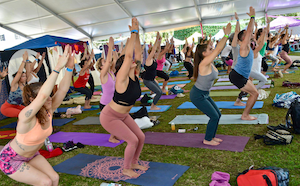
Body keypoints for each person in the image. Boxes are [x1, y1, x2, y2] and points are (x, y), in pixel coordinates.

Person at [0, 45, 73, 185]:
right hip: (11, 158)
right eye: (44, 97)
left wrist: (69, 68)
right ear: (33, 100)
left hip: (32, 154)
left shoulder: (48, 110)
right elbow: (43, 95)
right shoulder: (26, 116)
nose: (50, 98)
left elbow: (63, 89)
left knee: (54, 179)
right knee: (45, 182)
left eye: (50, 96)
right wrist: (57, 68)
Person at [100, 18, 148, 178]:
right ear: (123, 67)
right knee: (133, 140)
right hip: (110, 117)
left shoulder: (135, 75)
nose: (134, 61)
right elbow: (128, 56)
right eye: (129, 62)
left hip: (123, 115)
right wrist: (132, 33)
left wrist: (138, 34)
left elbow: (138, 53)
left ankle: (134, 162)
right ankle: (126, 168)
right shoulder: (121, 79)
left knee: (141, 136)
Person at [190, 23, 231, 146]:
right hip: (197, 95)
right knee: (213, 116)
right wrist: (226, 35)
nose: (212, 50)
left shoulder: (210, 61)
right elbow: (218, 49)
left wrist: (209, 40)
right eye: (209, 50)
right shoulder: (204, 64)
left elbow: (215, 48)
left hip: (205, 94)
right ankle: (207, 139)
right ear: (204, 54)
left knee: (218, 114)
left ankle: (212, 136)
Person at [229, 6, 259, 120]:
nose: (250, 33)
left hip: (240, 75)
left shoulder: (248, 46)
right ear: (244, 38)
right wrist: (252, 17)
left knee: (254, 93)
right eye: (247, 34)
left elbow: (251, 32)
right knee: (255, 94)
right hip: (237, 75)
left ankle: (244, 114)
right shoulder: (243, 46)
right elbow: (248, 31)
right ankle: (245, 115)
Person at [96, 37, 120, 143]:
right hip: (105, 103)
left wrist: (113, 49)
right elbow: (110, 60)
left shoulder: (111, 71)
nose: (107, 62)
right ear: (101, 67)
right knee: (113, 121)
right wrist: (109, 47)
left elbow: (116, 60)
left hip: (113, 101)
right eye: (104, 62)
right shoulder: (103, 74)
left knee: (118, 119)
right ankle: (111, 137)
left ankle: (114, 135)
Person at [0, 51, 28, 118]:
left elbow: (28, 71)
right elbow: (19, 72)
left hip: (18, 106)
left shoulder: (24, 84)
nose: (24, 77)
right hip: (7, 107)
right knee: (24, 115)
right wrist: (23, 60)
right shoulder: (15, 85)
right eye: (22, 76)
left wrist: (27, 60)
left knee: (30, 113)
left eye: (24, 76)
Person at [143, 32, 162, 110]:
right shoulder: (149, 59)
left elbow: (158, 49)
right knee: (159, 92)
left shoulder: (154, 59)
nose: (157, 53)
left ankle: (153, 105)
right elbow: (154, 49)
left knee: (160, 91)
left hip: (152, 79)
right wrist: (156, 39)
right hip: (147, 80)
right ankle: (153, 106)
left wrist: (160, 40)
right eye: (155, 52)